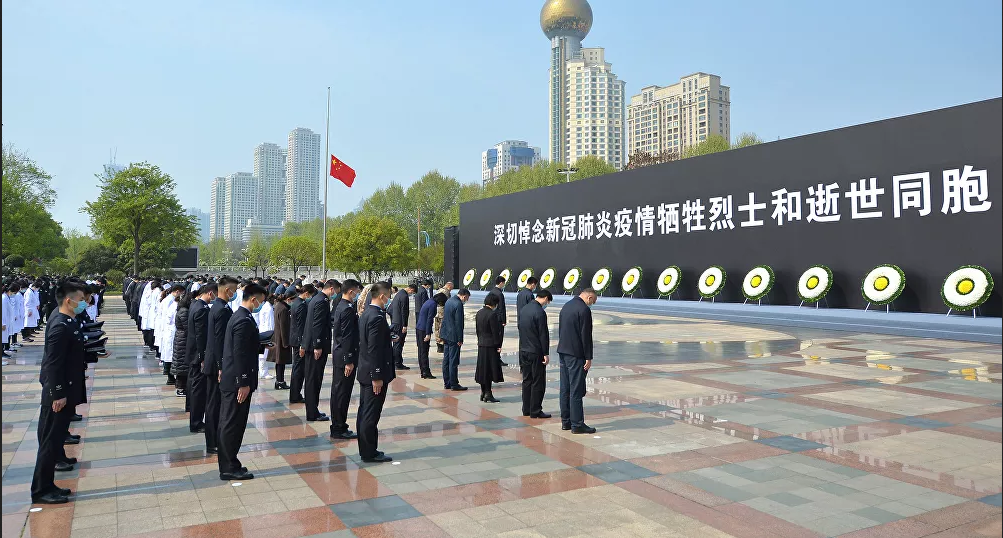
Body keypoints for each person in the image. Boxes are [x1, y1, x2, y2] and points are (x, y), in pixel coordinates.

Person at [31, 280, 87, 504]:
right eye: (81, 300)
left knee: (54, 442)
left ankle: (49, 485)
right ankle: (41, 490)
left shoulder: (66, 320)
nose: (84, 303)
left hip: (65, 391)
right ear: (69, 300)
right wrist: (58, 394)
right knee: (50, 444)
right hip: (58, 396)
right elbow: (53, 364)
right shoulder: (59, 325)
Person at [217, 283, 266, 481]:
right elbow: (239, 354)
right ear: (253, 299)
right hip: (237, 381)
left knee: (233, 423)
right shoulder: (242, 320)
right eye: (260, 301)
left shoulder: (241, 316)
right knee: (232, 424)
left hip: (235, 378)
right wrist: (243, 382)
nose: (261, 305)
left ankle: (231, 462)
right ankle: (228, 467)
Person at [356, 282, 395, 463]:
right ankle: (369, 452)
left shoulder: (367, 313)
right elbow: (374, 349)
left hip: (365, 370)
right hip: (373, 374)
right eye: (389, 296)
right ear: (382, 296)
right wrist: (377, 376)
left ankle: (367, 449)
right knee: (370, 414)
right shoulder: (377, 317)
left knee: (365, 411)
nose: (389, 300)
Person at [204, 276, 238, 454]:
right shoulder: (222, 310)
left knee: (213, 403)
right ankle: (213, 442)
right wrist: (221, 366)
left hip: (213, 361)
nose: (236, 293)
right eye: (234, 289)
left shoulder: (218, 306)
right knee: (214, 404)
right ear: (227, 290)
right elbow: (219, 341)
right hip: (216, 363)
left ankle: (213, 440)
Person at [557, 288, 597, 434]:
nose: (591, 304)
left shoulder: (566, 306)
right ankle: (577, 424)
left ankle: (566, 421)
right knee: (576, 389)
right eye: (593, 302)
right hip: (576, 354)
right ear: (590, 297)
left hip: (563, 351)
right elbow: (585, 335)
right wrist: (588, 356)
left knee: (565, 389)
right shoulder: (584, 310)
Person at [302, 280, 338, 421]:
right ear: (331, 288)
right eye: (335, 290)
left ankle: (313, 410)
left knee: (313, 379)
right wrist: (317, 345)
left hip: (312, 345)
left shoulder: (317, 298)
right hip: (316, 347)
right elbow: (317, 325)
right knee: (313, 380)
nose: (335, 294)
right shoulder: (322, 301)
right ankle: (312, 412)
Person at [330, 279, 361, 439]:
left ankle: (339, 424)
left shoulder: (341, 305)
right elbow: (347, 337)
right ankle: (339, 427)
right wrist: (349, 360)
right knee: (342, 393)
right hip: (344, 357)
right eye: (357, 291)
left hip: (339, 355)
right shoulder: (347, 309)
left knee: (338, 392)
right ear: (351, 291)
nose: (358, 295)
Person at [187, 283, 217, 433]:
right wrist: (203, 357)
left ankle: (196, 420)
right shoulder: (201, 309)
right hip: (197, 356)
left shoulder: (196, 305)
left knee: (197, 388)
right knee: (198, 391)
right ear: (210, 293)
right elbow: (200, 336)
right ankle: (196, 422)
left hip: (194, 355)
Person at [519, 289, 553, 418]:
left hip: (524, 349)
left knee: (527, 380)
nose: (547, 304)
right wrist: (545, 352)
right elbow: (543, 334)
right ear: (545, 298)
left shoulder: (524, 309)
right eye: (548, 302)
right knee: (538, 381)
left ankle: (526, 408)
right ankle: (535, 410)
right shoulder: (540, 312)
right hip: (535, 351)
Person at [288, 284, 315, 404]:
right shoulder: (301, 305)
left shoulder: (296, 302)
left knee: (298, 368)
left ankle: (296, 394)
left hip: (295, 339)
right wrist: (302, 345)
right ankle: (295, 395)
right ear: (306, 293)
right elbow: (301, 326)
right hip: (298, 341)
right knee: (298, 369)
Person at [475, 293, 504, 403]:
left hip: (482, 344)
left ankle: (483, 392)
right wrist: (498, 345)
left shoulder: (479, 313)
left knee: (483, 369)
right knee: (490, 370)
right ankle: (488, 393)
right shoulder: (492, 315)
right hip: (491, 345)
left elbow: (478, 330)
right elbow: (495, 332)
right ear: (494, 303)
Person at [440, 288, 470, 391]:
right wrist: (460, 338)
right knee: (453, 360)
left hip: (446, 334)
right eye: (467, 298)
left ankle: (447, 382)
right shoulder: (458, 304)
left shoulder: (449, 301)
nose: (466, 300)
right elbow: (459, 323)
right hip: (453, 336)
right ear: (464, 296)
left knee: (446, 359)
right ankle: (454, 383)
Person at [416, 292, 446, 379]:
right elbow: (429, 320)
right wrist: (428, 333)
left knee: (421, 351)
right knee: (424, 351)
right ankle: (426, 372)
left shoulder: (429, 301)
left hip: (419, 327)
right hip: (424, 329)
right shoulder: (433, 305)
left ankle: (423, 371)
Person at [270, 291, 292, 390]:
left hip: (278, 337)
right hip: (281, 339)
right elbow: (284, 327)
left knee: (279, 362)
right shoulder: (283, 309)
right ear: (288, 299)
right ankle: (280, 381)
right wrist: (286, 342)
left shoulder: (278, 306)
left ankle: (279, 380)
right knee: (280, 361)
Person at [389, 284, 415, 370]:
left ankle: (394, 362)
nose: (412, 293)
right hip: (400, 324)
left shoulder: (398, 294)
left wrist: (394, 319)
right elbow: (404, 311)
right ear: (410, 289)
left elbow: (389, 310)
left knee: (395, 344)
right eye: (412, 292)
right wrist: (404, 325)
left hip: (395, 323)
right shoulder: (404, 296)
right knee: (398, 344)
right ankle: (398, 363)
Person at [172, 290, 192, 399]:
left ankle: (181, 387)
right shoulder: (184, 311)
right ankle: (180, 388)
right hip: (182, 339)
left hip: (181, 338)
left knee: (182, 364)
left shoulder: (182, 309)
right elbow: (187, 326)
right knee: (181, 365)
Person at [486, 276, 508, 366]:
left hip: (492, 318)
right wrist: (503, 320)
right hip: (498, 320)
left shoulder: (491, 292)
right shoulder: (499, 294)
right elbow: (501, 308)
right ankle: (497, 358)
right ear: (501, 283)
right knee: (499, 339)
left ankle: (493, 357)